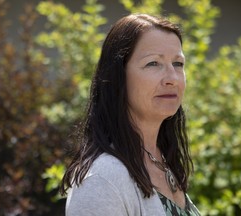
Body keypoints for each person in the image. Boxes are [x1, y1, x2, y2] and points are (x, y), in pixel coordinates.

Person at [61, 13, 201, 216]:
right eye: (153, 63)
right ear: (117, 76)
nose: (172, 78)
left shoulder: (161, 160)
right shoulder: (102, 179)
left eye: (178, 64)